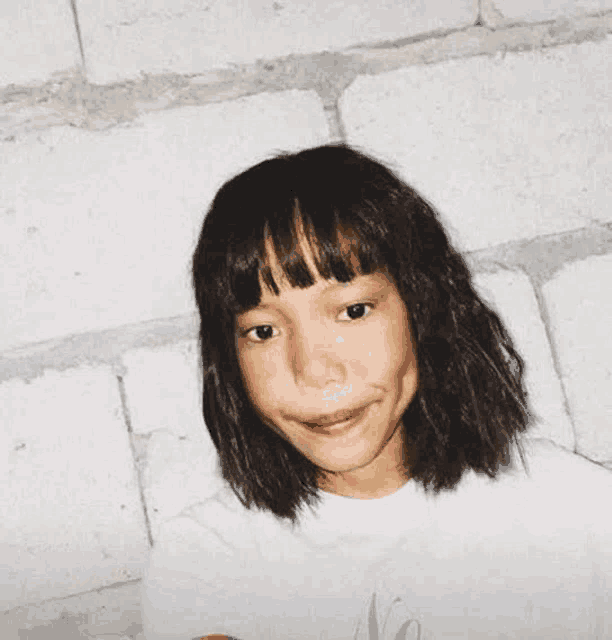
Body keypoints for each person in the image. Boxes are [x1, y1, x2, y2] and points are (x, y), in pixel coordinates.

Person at [140, 144, 612, 640]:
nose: (314, 371)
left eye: (353, 311)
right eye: (263, 331)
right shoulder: (205, 568)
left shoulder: (575, 513)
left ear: (422, 309)